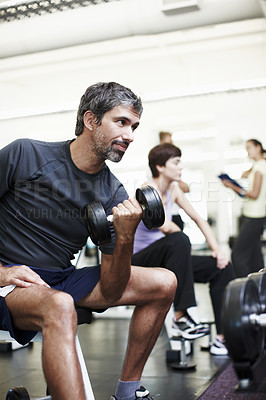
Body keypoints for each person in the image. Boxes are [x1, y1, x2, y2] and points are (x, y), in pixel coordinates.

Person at [0, 82, 177, 400]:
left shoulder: (113, 192)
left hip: (59, 279)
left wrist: (124, 236)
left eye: (134, 126)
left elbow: (111, 290)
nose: (130, 136)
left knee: (164, 282)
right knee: (59, 304)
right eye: (121, 122)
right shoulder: (26, 154)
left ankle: (127, 392)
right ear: (91, 120)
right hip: (11, 279)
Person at [132, 143, 235, 356]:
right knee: (179, 239)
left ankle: (222, 338)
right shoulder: (146, 191)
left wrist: (218, 251)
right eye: (176, 162)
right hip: (140, 261)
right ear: (160, 167)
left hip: (166, 258)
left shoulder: (174, 189)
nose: (181, 167)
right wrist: (178, 232)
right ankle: (181, 316)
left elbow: (199, 219)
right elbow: (168, 228)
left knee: (221, 268)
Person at [221, 138, 266, 278]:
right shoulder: (258, 165)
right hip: (253, 215)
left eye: (249, 147)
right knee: (255, 256)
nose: (247, 151)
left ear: (258, 147)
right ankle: (260, 289)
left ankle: (246, 288)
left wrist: (231, 185)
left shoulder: (259, 167)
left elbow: (253, 194)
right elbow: (245, 175)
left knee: (238, 254)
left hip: (254, 217)